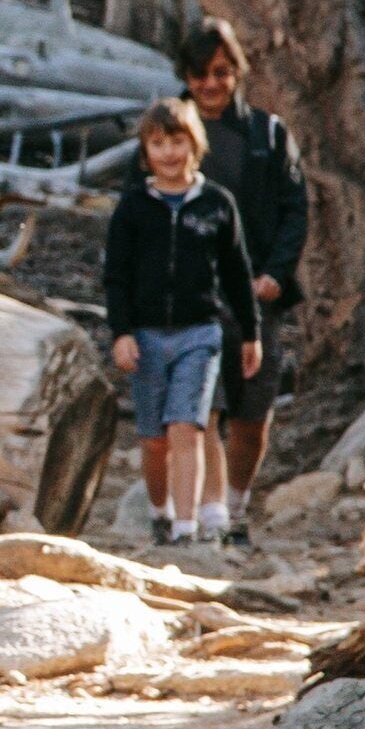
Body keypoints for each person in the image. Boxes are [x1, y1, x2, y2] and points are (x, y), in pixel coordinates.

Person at [102, 96, 260, 545]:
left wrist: (250, 333)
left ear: (196, 145)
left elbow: (237, 272)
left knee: (187, 425)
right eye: (158, 143)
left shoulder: (216, 204)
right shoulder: (134, 207)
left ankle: (186, 530)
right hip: (148, 336)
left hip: (200, 333)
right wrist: (122, 333)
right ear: (145, 152)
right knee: (154, 440)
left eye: (178, 141)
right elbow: (116, 275)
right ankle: (158, 510)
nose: (169, 152)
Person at [180, 23, 310, 548]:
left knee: (252, 413)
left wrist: (276, 274)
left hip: (256, 299)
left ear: (237, 72)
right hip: (191, 299)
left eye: (221, 72)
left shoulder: (269, 135)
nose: (210, 84)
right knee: (203, 407)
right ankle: (210, 518)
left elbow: (294, 210)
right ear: (184, 76)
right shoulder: (169, 132)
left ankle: (236, 506)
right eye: (198, 74)